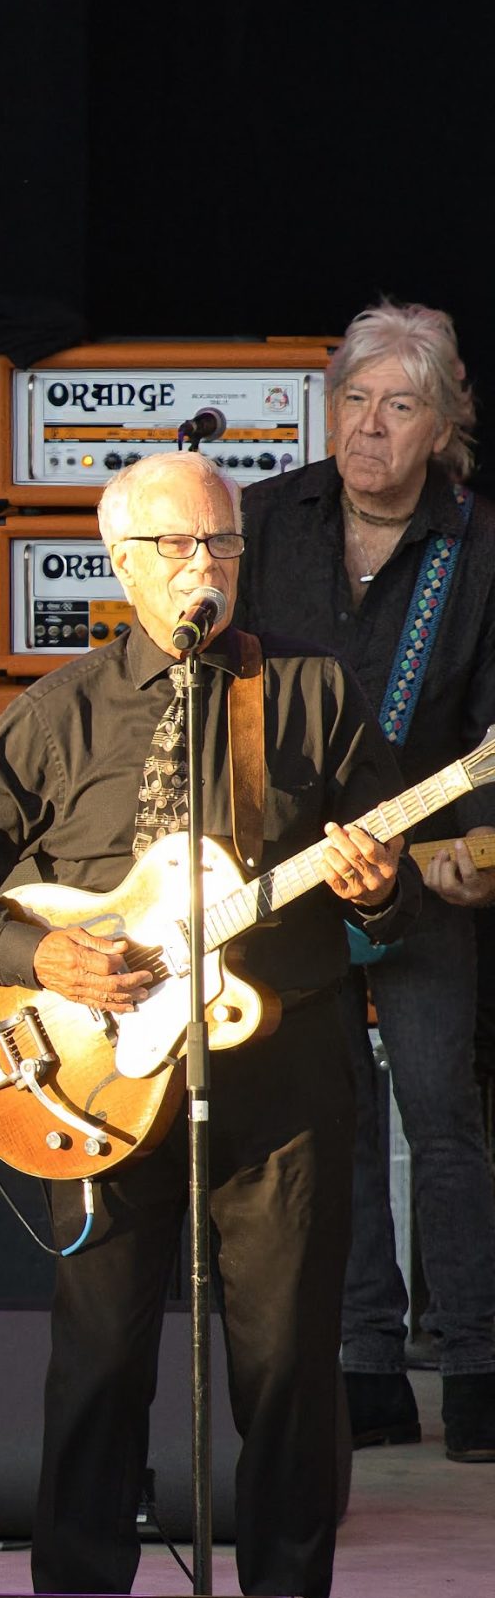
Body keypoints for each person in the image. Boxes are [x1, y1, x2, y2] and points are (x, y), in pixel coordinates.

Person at [0, 451, 413, 1598]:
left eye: (222, 545)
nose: (204, 569)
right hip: (102, 1080)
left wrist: (378, 888)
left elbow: (390, 892)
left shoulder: (308, 691)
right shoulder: (61, 709)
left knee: (286, 1371)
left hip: (282, 1079)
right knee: (98, 1356)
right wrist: (39, 960)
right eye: (177, 548)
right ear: (122, 563)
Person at [237, 300, 495, 1460]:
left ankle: (479, 1367)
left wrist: (469, 846)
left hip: (429, 865)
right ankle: (364, 1365)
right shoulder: (263, 520)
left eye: (399, 405)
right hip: (293, 873)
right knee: (325, 1119)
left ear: (442, 426)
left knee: (442, 1119)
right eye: (353, 400)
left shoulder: (477, 546)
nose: (370, 427)